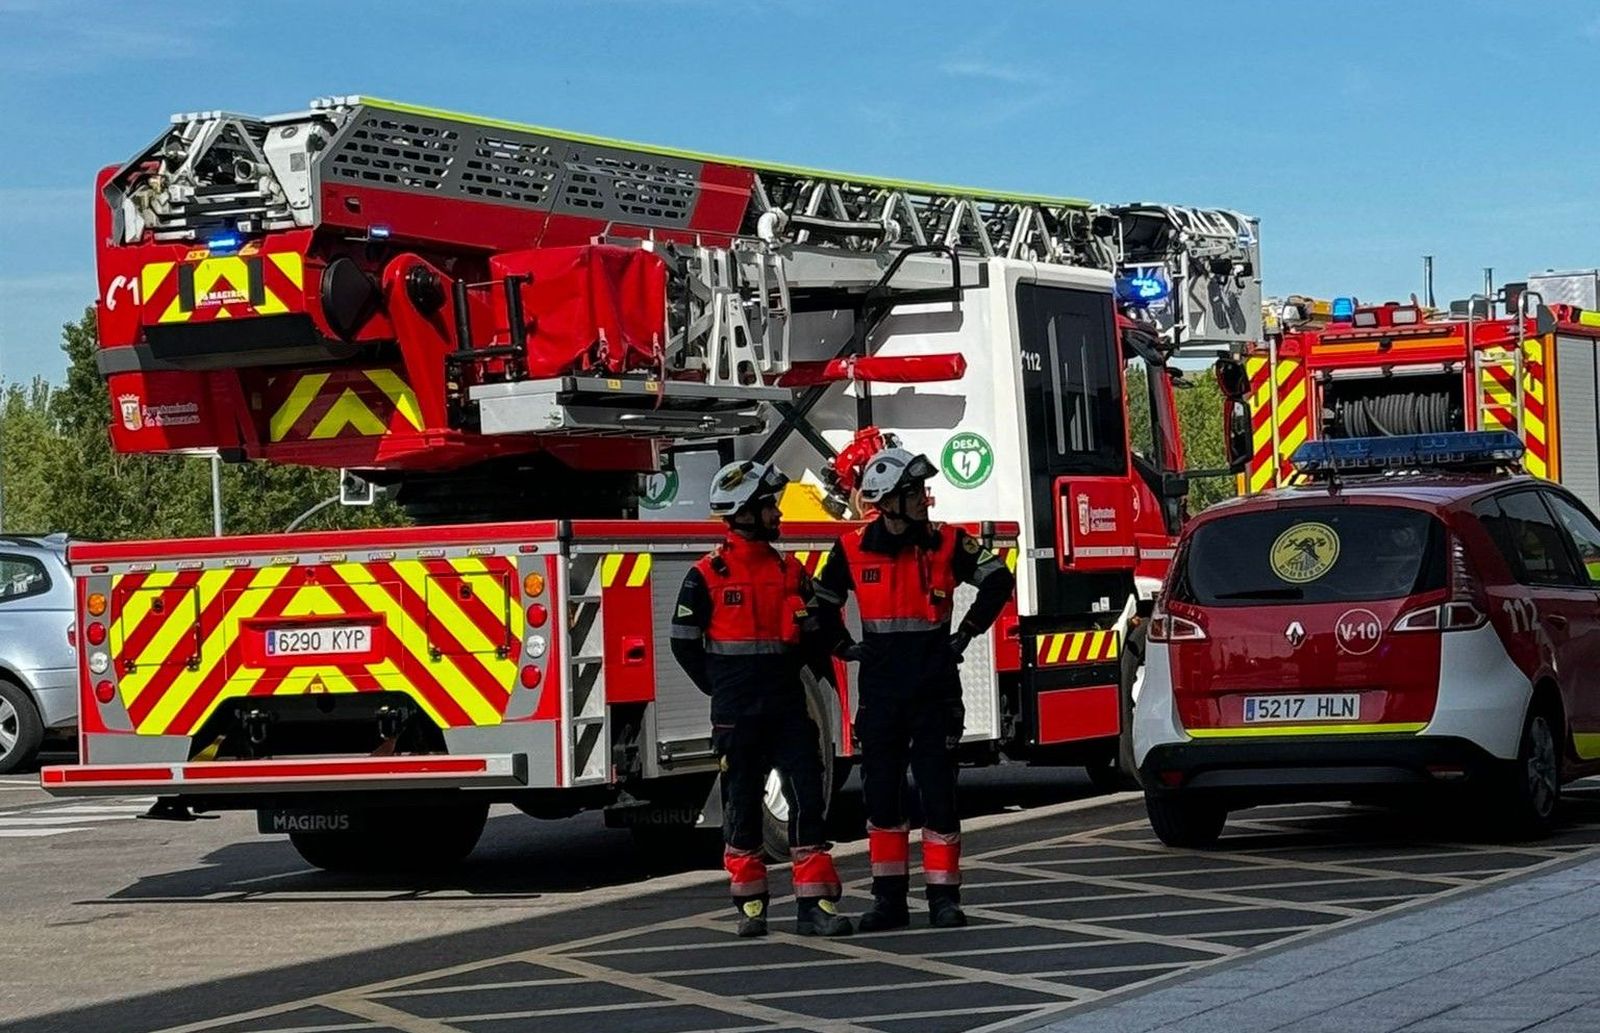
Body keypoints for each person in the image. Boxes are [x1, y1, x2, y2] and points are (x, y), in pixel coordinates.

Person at [810, 447, 1015, 931]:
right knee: (882, 799)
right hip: (882, 693)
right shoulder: (851, 548)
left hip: (934, 690)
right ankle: (889, 901)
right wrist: (842, 647)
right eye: (915, 492)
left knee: (938, 796)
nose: (925, 498)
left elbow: (998, 580)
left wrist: (965, 634)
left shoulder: (948, 542)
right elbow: (819, 602)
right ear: (889, 502)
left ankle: (944, 899)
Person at [670, 460, 854, 939]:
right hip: (738, 713)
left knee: (807, 799)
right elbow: (682, 642)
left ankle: (815, 905)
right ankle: (750, 905)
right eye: (770, 505)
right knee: (742, 804)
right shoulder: (706, 575)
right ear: (746, 512)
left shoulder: (790, 570)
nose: (778, 513)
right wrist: (719, 687)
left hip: (787, 707)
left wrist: (848, 649)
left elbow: (817, 629)